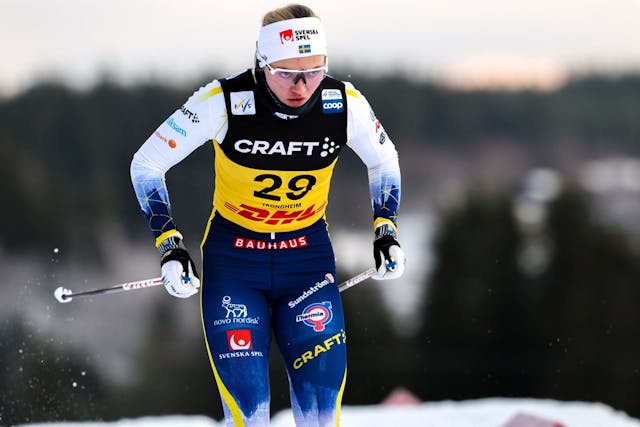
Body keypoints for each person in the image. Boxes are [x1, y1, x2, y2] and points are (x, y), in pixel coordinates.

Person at [130, 4, 405, 426]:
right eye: (286, 73)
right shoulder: (223, 101)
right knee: (250, 414)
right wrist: (170, 245)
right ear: (261, 63)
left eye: (314, 71)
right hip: (235, 265)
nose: (302, 86)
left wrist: (385, 230)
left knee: (320, 416)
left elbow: (384, 161)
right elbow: (147, 164)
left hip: (306, 261)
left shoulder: (343, 103)